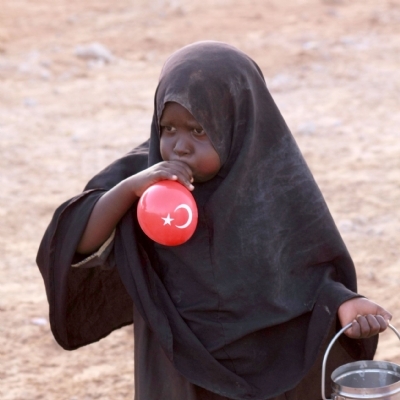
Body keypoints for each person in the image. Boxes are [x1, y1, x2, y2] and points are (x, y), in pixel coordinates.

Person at [37, 41, 392, 400]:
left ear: (238, 124)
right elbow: (75, 240)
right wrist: (130, 191)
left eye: (199, 130)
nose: (179, 146)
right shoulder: (143, 178)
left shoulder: (276, 183)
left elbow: (310, 274)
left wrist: (345, 304)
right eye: (168, 128)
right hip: (178, 366)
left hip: (268, 362)